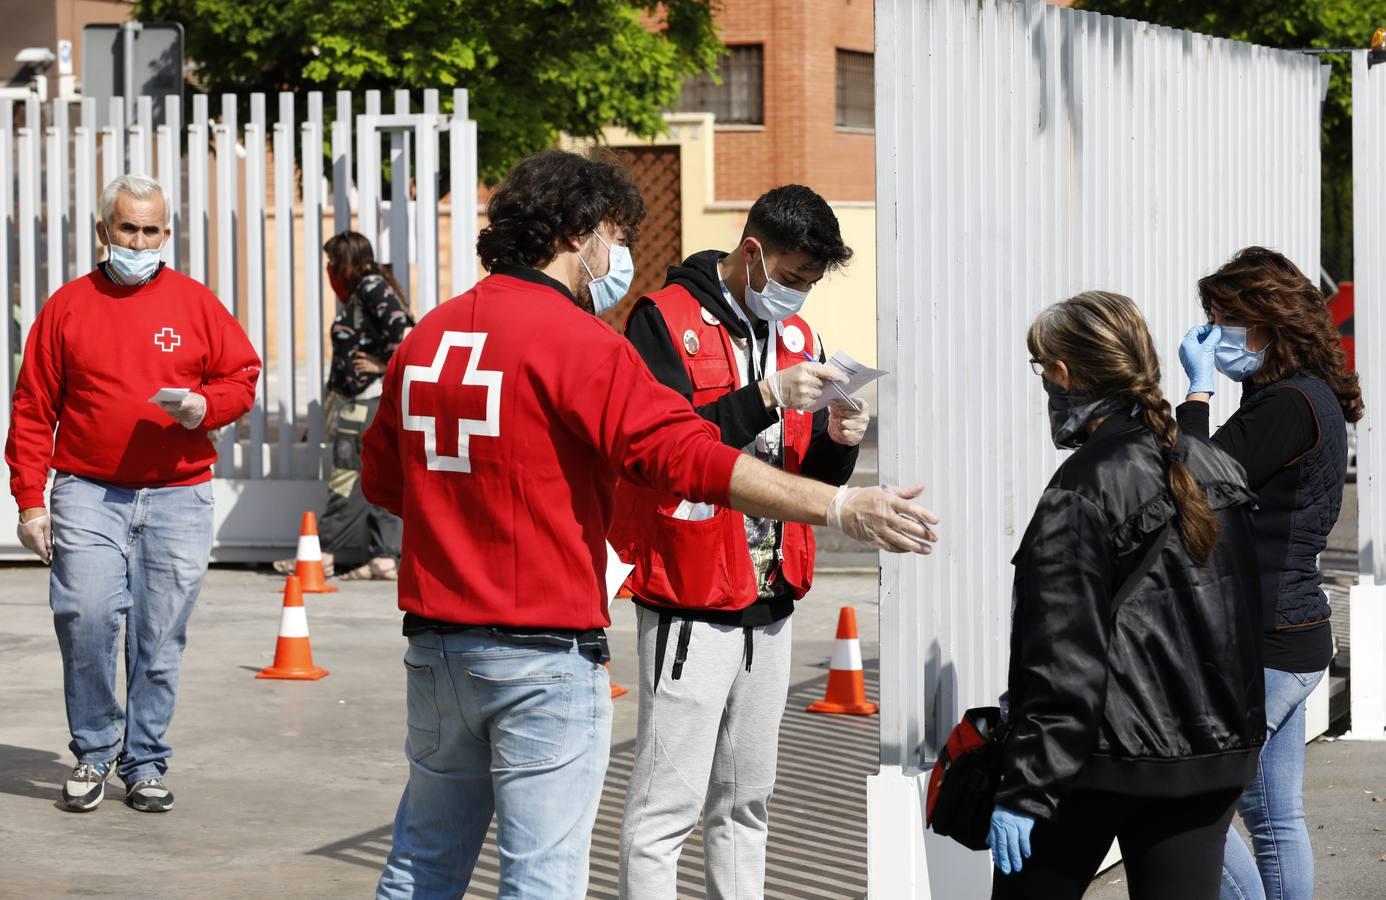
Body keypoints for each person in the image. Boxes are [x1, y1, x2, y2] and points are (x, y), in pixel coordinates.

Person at [361, 149, 939, 900]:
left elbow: (385, 483)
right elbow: (685, 457)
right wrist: (839, 506)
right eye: (612, 231)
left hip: (437, 643)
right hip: (546, 645)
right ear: (578, 233)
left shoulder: (427, 336)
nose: (617, 252)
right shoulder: (586, 342)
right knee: (543, 877)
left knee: (423, 863)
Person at [613, 184, 868, 899]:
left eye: (811, 285)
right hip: (691, 591)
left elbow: (804, 471)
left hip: (771, 593)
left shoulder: (799, 337)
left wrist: (842, 444)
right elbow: (661, 448)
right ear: (753, 253)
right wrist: (764, 397)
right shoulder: (664, 321)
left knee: (747, 801)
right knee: (667, 808)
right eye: (791, 279)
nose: (799, 297)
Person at [988, 291, 1265, 899]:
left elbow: (1064, 658)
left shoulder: (1082, 488)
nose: (1044, 386)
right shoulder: (1215, 464)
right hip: (1211, 759)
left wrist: (1027, 788)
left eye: (1041, 370)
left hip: (1101, 764)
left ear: (1062, 375)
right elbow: (1245, 618)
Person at [5, 174, 260, 813]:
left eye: (151, 231)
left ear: (166, 235)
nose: (140, 240)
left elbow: (243, 375)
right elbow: (34, 407)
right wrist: (30, 501)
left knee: (159, 634)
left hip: (179, 495)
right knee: (86, 618)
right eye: (128, 229)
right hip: (88, 491)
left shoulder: (198, 304)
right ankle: (93, 750)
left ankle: (144, 760)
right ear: (104, 232)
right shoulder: (66, 307)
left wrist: (207, 406)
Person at [1177, 247, 1362, 900]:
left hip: (1269, 645)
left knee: (1189, 806)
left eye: (1225, 320)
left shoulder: (1287, 406)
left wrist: (1196, 391)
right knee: (1272, 815)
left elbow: (1192, 482)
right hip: (1291, 637)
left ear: (1269, 321)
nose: (1214, 336)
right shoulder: (1303, 398)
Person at [277, 232, 413, 580]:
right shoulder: (369, 287)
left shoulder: (370, 288)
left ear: (346, 261)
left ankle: (319, 555)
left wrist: (382, 365)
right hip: (363, 400)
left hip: (364, 402)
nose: (329, 269)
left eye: (333, 262)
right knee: (377, 475)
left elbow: (405, 333)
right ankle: (384, 557)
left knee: (346, 477)